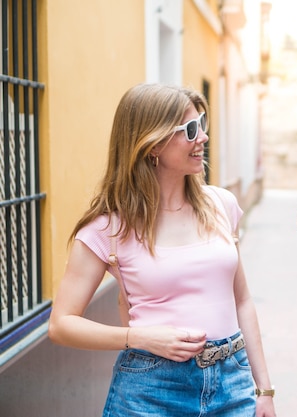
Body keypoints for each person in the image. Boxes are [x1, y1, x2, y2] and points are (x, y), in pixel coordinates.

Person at [49, 83, 276, 417]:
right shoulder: (109, 228)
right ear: (152, 143)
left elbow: (242, 300)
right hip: (151, 390)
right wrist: (138, 338)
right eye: (190, 129)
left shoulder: (221, 205)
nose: (203, 138)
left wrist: (264, 389)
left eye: (203, 124)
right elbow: (61, 324)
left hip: (232, 383)